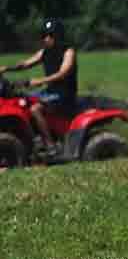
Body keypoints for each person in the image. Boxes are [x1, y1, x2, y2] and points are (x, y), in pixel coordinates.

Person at [0, 18, 78, 157]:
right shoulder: (44, 52)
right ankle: (34, 140)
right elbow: (25, 64)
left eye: (50, 35)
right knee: (23, 100)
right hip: (51, 92)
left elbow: (62, 73)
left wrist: (40, 80)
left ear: (58, 36)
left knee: (35, 108)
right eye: (44, 35)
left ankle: (50, 145)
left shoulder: (68, 52)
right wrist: (6, 68)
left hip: (64, 94)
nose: (46, 39)